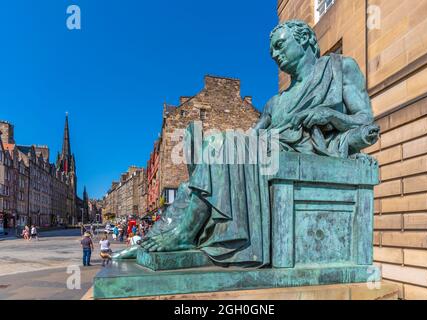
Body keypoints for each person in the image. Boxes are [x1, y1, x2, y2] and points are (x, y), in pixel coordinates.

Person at [114, 20, 379, 266]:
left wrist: (331, 115)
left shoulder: (339, 68)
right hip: (271, 150)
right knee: (209, 156)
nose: (274, 54)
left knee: (220, 145)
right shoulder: (276, 102)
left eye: (279, 45)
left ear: (305, 40)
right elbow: (252, 136)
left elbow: (366, 122)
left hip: (307, 150)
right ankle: (162, 234)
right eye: (272, 51)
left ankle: (187, 233)